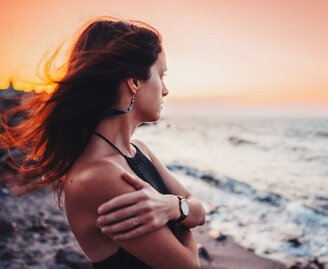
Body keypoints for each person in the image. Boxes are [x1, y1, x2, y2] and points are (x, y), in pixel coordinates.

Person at [0, 17, 205, 269]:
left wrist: (172, 207)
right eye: (160, 75)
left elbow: (200, 212)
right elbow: (189, 265)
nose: (165, 90)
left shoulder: (139, 150)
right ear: (134, 82)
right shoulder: (99, 176)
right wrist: (184, 211)